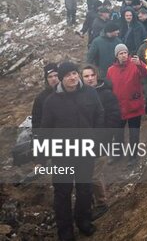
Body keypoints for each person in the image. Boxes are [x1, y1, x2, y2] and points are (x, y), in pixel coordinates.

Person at [41, 61, 103, 240]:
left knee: (84, 189)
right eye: (68, 75)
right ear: (61, 79)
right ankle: (65, 232)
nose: (73, 77)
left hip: (85, 151)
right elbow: (45, 129)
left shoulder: (90, 93)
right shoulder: (51, 101)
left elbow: (100, 114)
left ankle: (83, 222)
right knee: (62, 193)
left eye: (75, 73)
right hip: (62, 155)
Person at [80, 65, 121, 220]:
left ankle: (101, 203)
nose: (90, 78)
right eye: (86, 76)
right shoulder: (80, 95)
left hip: (100, 141)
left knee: (94, 174)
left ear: (96, 76)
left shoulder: (106, 94)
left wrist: (103, 137)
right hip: (83, 141)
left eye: (92, 75)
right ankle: (89, 200)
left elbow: (114, 118)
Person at [106, 44, 147, 166]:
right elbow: (109, 88)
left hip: (134, 105)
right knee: (118, 133)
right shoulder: (110, 70)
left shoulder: (135, 65)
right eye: (120, 53)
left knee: (134, 134)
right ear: (116, 56)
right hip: (118, 107)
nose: (124, 55)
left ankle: (133, 157)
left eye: (125, 52)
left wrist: (140, 64)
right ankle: (118, 153)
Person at [31, 63, 59, 133]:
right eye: (50, 77)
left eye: (56, 75)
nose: (53, 79)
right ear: (46, 79)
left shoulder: (68, 92)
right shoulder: (40, 99)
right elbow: (36, 122)